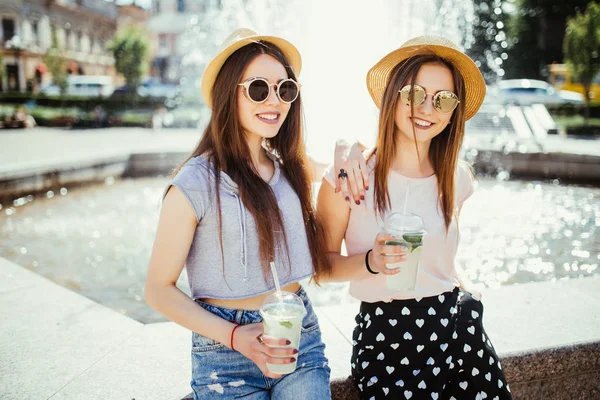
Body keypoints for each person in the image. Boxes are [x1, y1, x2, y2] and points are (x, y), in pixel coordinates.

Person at [317, 35, 512, 399]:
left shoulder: (457, 178)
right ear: (394, 94)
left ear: (454, 110)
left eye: (443, 99)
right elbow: (321, 267)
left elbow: (443, 255)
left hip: (459, 331)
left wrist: (464, 284)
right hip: (387, 340)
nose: (427, 108)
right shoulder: (349, 178)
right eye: (414, 94)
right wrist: (371, 262)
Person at [144, 28, 332, 399]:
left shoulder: (291, 168)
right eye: (259, 88)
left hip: (298, 338)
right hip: (223, 353)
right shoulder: (194, 183)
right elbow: (157, 290)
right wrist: (234, 336)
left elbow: (339, 171)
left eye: (286, 89)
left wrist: (350, 154)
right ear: (229, 94)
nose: (275, 100)